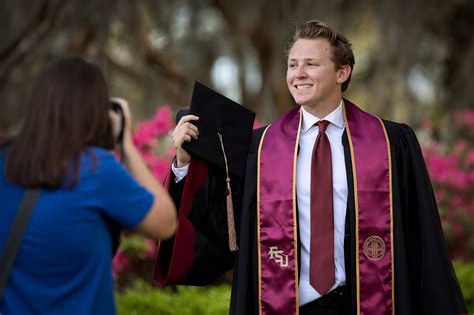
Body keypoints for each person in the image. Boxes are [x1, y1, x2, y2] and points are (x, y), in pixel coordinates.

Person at [153, 20, 467, 315]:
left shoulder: (391, 143)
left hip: (365, 303)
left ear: (342, 72)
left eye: (311, 64)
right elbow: (221, 228)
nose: (298, 73)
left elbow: (422, 238)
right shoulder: (258, 148)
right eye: (292, 65)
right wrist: (184, 164)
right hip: (284, 305)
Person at [0, 57, 177, 314]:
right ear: (95, 114)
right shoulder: (96, 170)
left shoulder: (4, 163)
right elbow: (165, 223)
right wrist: (125, 145)